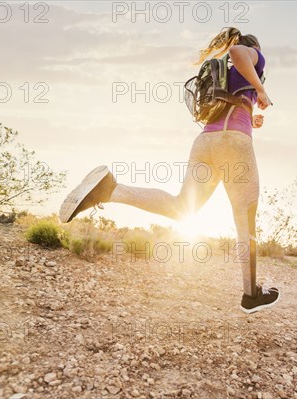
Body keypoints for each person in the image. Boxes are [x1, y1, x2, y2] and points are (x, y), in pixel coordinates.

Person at [59, 27, 280, 314]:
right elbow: (238, 52)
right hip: (233, 144)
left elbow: (231, 102)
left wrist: (252, 115)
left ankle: (111, 189)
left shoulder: (224, 73)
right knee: (244, 217)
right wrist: (261, 88)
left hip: (205, 143)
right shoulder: (251, 54)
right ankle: (251, 294)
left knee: (181, 207)